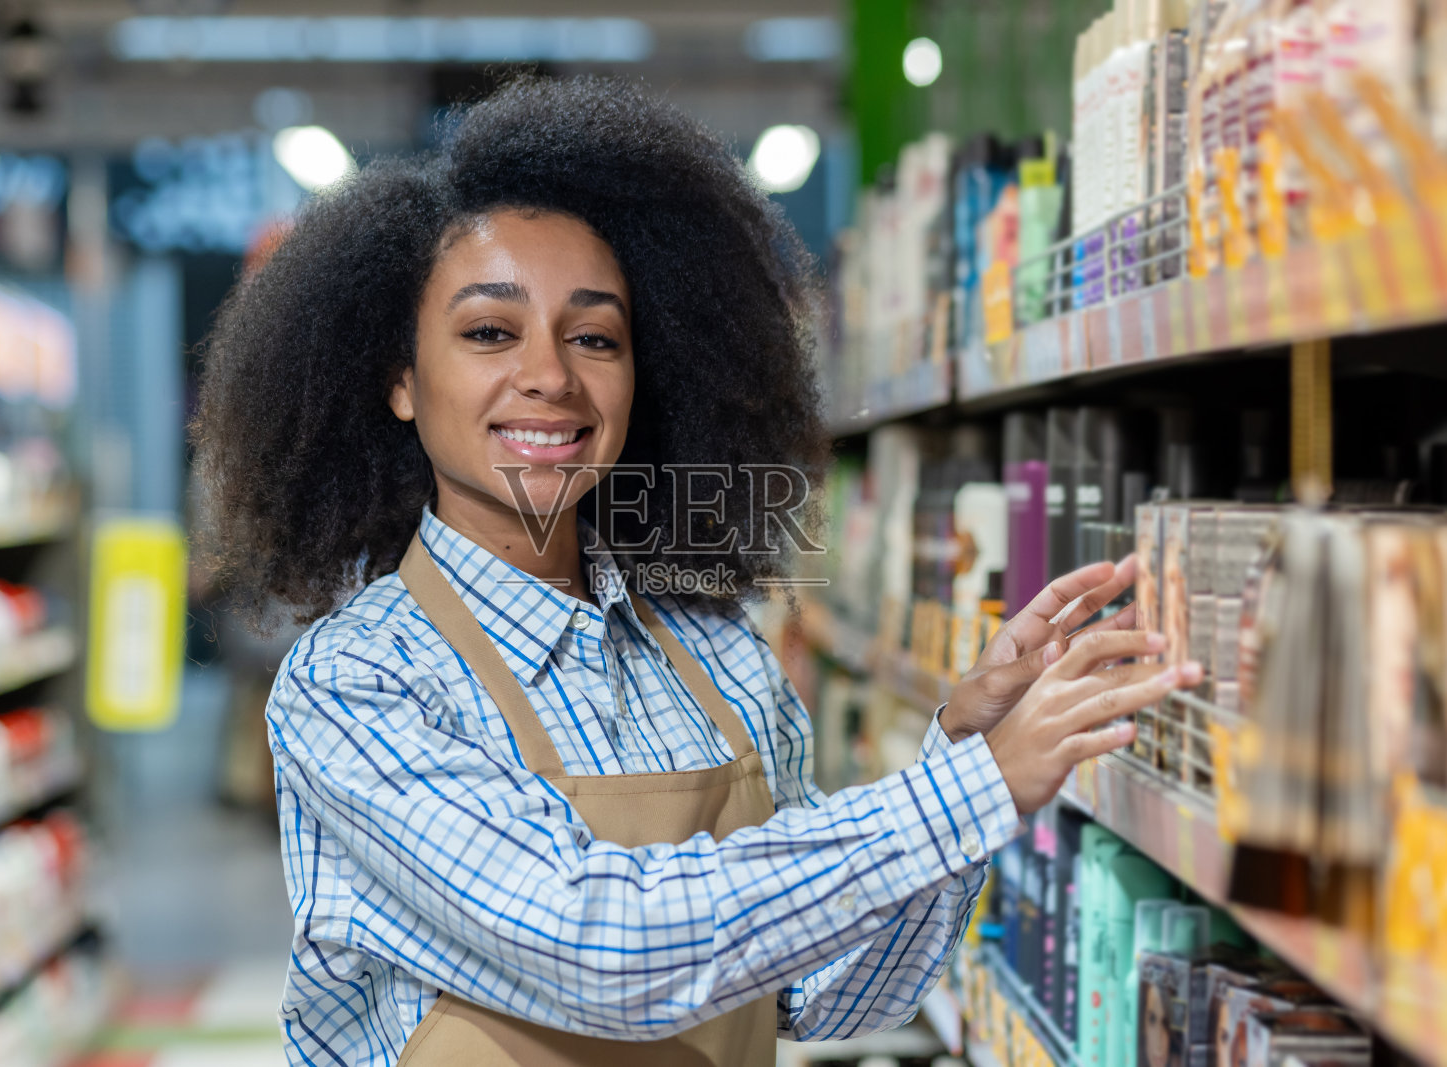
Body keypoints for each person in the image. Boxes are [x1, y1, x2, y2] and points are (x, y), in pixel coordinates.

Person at [191, 75, 1202, 1066]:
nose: (549, 373)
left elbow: (825, 990)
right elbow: (598, 949)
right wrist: (965, 793)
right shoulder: (358, 682)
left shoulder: (717, 661)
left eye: (595, 336)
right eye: (489, 332)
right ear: (402, 380)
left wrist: (962, 754)